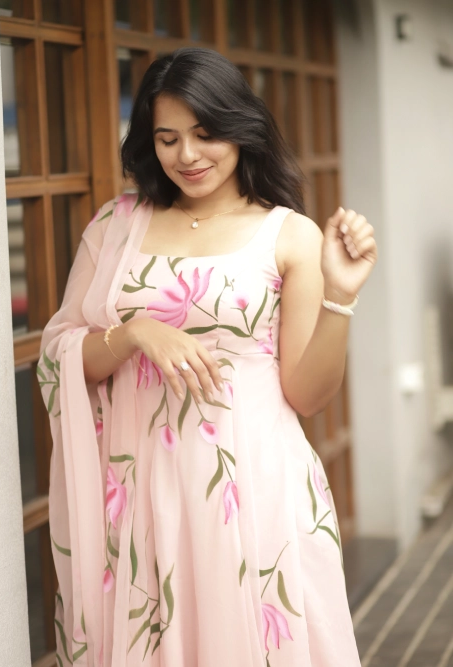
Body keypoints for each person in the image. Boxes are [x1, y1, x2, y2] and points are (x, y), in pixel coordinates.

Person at [38, 47, 376, 667]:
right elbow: (62, 356)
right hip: (143, 487)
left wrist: (341, 296)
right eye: (167, 139)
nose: (187, 155)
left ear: (240, 127)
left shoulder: (287, 233)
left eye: (205, 134)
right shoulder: (116, 225)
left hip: (253, 485)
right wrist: (136, 333)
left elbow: (307, 394)